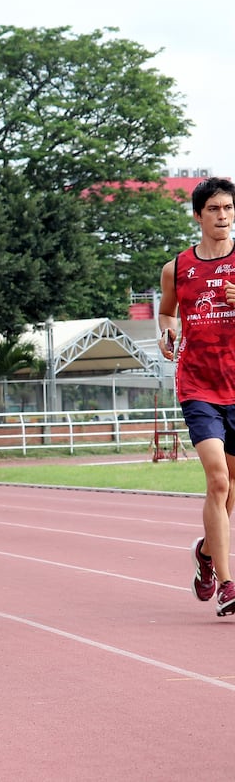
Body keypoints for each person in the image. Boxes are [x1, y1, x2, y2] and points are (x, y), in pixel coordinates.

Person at [158, 176, 235, 617]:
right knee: (218, 480)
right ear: (198, 216)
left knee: (232, 487)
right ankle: (227, 584)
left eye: (228, 208)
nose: (223, 216)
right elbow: (167, 312)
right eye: (214, 209)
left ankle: (206, 555)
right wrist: (166, 332)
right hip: (198, 386)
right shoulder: (177, 268)